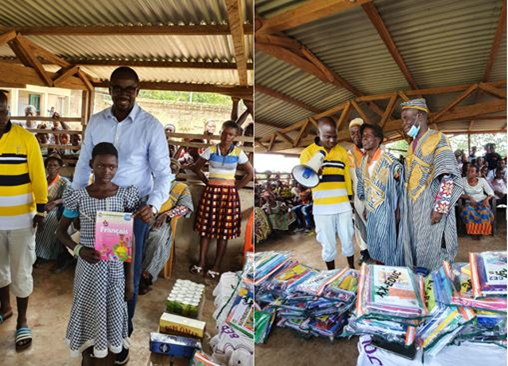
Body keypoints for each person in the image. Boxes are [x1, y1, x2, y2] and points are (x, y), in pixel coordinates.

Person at [71, 66, 172, 364]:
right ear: (110, 89)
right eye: (118, 88)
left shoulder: (150, 126)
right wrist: (77, 200)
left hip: (129, 211)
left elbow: (163, 173)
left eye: (130, 88)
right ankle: (95, 331)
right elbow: (81, 165)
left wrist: (152, 205)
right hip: (97, 205)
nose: (124, 94)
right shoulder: (96, 121)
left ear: (138, 91)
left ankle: (121, 335)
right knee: (93, 271)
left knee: (125, 273)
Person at [57, 142, 140, 363]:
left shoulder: (125, 196)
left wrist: (130, 280)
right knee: (87, 314)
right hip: (87, 270)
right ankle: (87, 358)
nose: (106, 171)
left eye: (112, 166)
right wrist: (78, 249)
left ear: (118, 167)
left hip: (115, 272)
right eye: (101, 165)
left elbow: (129, 239)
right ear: (91, 165)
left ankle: (108, 358)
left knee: (112, 315)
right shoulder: (78, 196)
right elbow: (60, 231)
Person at [0, 90, 47, 351]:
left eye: (3, 111)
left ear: (8, 111)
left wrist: (40, 209)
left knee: (21, 270)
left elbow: (38, 176)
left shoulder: (25, 139)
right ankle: (4, 308)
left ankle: (22, 321)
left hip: (20, 220)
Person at [399, 98, 463, 272]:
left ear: (419, 116)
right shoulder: (411, 144)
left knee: (431, 243)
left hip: (430, 202)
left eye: (406, 117)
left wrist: (440, 207)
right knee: (414, 243)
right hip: (412, 203)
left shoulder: (438, 138)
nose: (403, 123)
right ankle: (418, 279)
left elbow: (448, 174)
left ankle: (433, 281)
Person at [191, 120, 254, 279]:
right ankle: (201, 263)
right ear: (221, 133)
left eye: (231, 134)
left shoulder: (238, 153)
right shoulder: (210, 150)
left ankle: (216, 266)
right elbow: (196, 168)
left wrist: (235, 188)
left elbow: (250, 173)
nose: (227, 137)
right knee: (206, 230)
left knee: (223, 233)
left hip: (229, 196)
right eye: (225, 133)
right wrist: (208, 183)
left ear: (235, 136)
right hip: (211, 193)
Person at [299, 117, 354, 270]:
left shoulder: (342, 151)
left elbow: (347, 177)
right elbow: (303, 181)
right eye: (327, 136)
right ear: (318, 133)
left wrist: (350, 199)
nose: (331, 140)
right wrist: (315, 173)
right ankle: (331, 273)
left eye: (334, 136)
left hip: (343, 205)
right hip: (322, 208)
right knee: (327, 242)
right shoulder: (307, 153)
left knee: (348, 238)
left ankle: (351, 267)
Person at [139, 159, 193, 295]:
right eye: (168, 167)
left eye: (174, 168)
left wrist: (168, 214)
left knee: (157, 238)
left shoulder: (180, 187)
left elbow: (185, 207)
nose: (171, 169)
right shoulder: (148, 182)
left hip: (161, 221)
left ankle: (145, 277)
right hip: (142, 218)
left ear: (178, 171)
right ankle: (128, 274)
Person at [357, 123, 405, 266]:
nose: (363, 139)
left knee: (387, 244)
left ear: (378, 139)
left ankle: (391, 274)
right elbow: (366, 186)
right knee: (374, 242)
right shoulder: (364, 162)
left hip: (386, 210)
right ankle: (380, 271)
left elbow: (401, 187)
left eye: (367, 136)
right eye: (362, 136)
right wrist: (366, 206)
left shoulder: (389, 161)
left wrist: (398, 210)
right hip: (371, 210)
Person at [35, 154, 70, 262]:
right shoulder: (42, 180)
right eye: (49, 165)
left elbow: (69, 197)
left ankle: (44, 254)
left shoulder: (64, 182)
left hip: (55, 209)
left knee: (48, 220)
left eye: (55, 165)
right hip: (40, 207)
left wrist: (55, 202)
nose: (52, 167)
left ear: (59, 167)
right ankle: (33, 253)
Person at [347, 118, 370, 264]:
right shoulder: (349, 154)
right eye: (352, 133)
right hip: (358, 198)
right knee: (360, 225)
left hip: (375, 197)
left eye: (358, 132)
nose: (355, 135)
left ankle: (379, 250)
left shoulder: (374, 149)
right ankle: (364, 251)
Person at [460, 164, 495, 239]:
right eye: (468, 171)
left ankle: (481, 231)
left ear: (476, 173)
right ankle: (473, 232)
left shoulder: (482, 180)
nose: (469, 173)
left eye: (472, 171)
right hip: (469, 203)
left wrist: (486, 199)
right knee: (468, 211)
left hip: (482, 202)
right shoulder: (462, 180)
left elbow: (491, 192)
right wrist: (469, 197)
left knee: (484, 211)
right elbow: (458, 193)